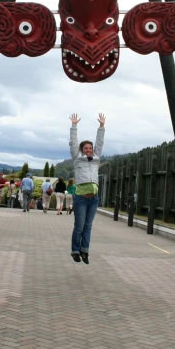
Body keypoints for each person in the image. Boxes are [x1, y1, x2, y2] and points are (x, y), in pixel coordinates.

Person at [69, 112, 105, 264]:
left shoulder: (96, 159)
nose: (89, 150)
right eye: (86, 148)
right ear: (81, 149)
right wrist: (74, 125)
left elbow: (100, 143)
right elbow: (73, 143)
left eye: (90, 148)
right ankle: (75, 251)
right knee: (79, 226)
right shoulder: (77, 159)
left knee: (88, 227)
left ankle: (85, 251)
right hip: (81, 199)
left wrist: (102, 126)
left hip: (94, 199)